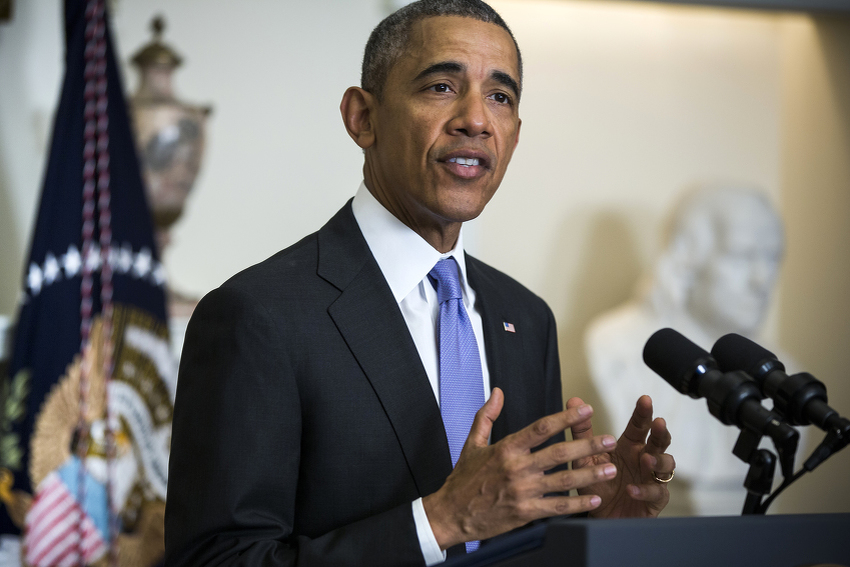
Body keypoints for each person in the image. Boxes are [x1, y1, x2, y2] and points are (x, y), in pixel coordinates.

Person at [164, 2, 675, 565]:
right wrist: (441, 520)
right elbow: (216, 559)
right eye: (440, 87)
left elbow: (517, 537)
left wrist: (592, 524)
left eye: (500, 97)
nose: (476, 119)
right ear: (362, 118)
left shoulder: (526, 318)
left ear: (515, 135)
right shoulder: (257, 317)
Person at [585, 184, 787, 516]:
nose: (762, 279)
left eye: (772, 257)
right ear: (687, 256)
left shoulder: (782, 371)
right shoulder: (613, 345)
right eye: (743, 255)